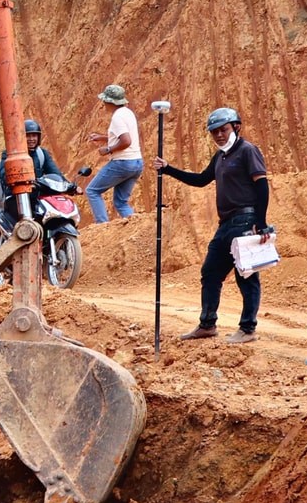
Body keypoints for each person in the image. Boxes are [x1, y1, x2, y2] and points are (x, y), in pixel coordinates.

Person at [155, 106, 271, 344]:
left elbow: (262, 186)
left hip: (245, 220)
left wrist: (260, 222)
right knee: (210, 272)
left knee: (246, 275)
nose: (219, 135)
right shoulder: (221, 156)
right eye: (214, 132)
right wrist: (168, 169)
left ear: (236, 127)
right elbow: (200, 180)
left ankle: (248, 329)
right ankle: (207, 324)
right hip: (226, 223)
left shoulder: (247, 151)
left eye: (223, 130)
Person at [84, 84, 144, 223]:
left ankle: (103, 226)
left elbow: (126, 141)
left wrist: (108, 150)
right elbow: (124, 137)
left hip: (123, 163)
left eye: (105, 101)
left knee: (92, 191)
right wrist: (103, 138)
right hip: (136, 162)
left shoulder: (117, 117)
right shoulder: (128, 113)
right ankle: (134, 226)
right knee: (121, 202)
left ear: (110, 102)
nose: (103, 103)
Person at [0, 118, 61, 231]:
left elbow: (55, 173)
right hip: (15, 197)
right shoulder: (10, 153)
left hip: (37, 196)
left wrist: (69, 185)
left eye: (34, 136)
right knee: (24, 226)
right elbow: (6, 175)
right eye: (28, 136)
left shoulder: (42, 154)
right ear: (21, 137)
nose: (31, 139)